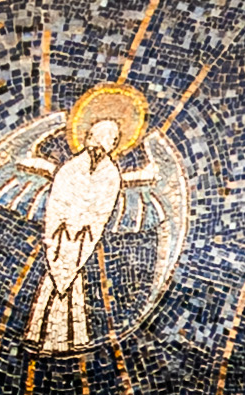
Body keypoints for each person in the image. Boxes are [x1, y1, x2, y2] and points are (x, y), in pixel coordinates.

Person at [20, 80, 163, 352]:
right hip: (62, 233)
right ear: (89, 137)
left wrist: (86, 226)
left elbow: (108, 199)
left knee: (72, 280)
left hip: (85, 236)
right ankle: (40, 333)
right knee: (56, 277)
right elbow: (59, 194)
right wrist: (64, 226)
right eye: (99, 137)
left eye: (110, 140)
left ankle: (70, 337)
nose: (103, 143)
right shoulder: (71, 167)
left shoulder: (110, 173)